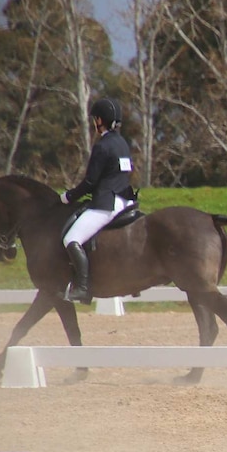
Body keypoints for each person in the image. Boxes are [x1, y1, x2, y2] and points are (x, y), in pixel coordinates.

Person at [59, 97, 135, 303]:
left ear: (99, 120)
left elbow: (91, 182)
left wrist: (69, 196)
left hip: (106, 203)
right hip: (126, 201)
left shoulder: (103, 146)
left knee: (71, 239)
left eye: (95, 118)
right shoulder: (123, 144)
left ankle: (82, 287)